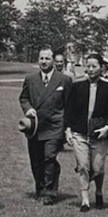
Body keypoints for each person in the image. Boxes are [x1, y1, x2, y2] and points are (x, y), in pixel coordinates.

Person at [65, 53, 108, 212]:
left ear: (101, 68)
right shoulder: (77, 87)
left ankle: (99, 191)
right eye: (87, 66)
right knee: (82, 165)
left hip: (99, 134)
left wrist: (107, 127)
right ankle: (85, 200)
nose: (90, 69)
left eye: (94, 66)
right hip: (79, 133)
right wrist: (67, 130)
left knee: (98, 168)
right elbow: (69, 110)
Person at [19, 47, 72, 205]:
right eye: (41, 58)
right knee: (36, 159)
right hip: (35, 126)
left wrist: (67, 127)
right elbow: (24, 98)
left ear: (53, 61)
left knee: (49, 157)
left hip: (55, 125)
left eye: (47, 59)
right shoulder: (31, 79)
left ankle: (49, 191)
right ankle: (40, 188)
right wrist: (28, 109)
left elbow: (69, 105)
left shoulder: (64, 80)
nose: (44, 61)